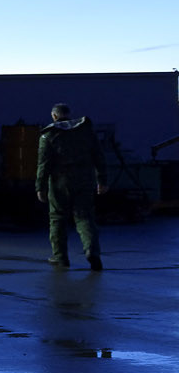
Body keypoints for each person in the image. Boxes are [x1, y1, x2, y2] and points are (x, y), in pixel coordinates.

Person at [35, 102, 107, 270]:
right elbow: (99, 156)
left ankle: (60, 257)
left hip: (60, 183)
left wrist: (40, 187)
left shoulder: (49, 135)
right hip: (84, 181)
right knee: (85, 218)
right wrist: (102, 180)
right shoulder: (86, 132)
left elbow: (43, 164)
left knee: (57, 219)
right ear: (69, 114)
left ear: (54, 116)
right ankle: (92, 251)